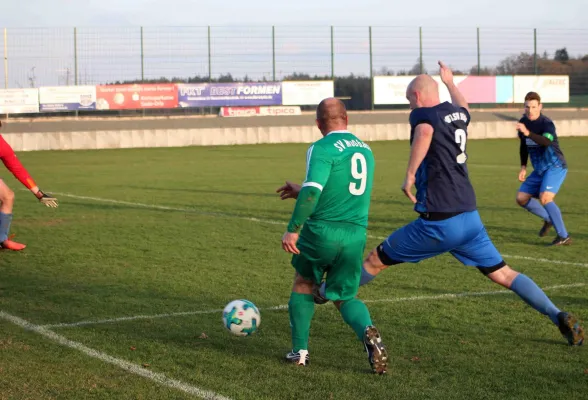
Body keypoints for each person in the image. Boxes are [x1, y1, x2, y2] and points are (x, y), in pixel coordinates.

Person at [314, 62, 583, 347]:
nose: (409, 107)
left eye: (408, 101)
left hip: (439, 222)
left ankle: (323, 290)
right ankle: (557, 314)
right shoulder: (457, 114)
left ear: (416, 98)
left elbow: (425, 133)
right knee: (504, 273)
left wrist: (409, 175)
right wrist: (451, 83)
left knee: (375, 260)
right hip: (470, 218)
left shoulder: (422, 114)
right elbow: (463, 106)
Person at [277, 97, 388, 374]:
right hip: (354, 234)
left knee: (303, 283)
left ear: (318, 123)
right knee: (344, 295)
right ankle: (368, 332)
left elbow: (314, 190)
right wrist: (301, 188)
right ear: (347, 118)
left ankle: (299, 352)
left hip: (322, 231)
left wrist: (293, 228)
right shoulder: (365, 149)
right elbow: (340, 187)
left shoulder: (321, 147)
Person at [515, 91, 570, 246]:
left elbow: (546, 141)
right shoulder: (523, 121)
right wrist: (523, 167)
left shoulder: (547, 124)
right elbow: (523, 146)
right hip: (539, 169)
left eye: (533, 107)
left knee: (545, 198)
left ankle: (563, 236)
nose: (530, 110)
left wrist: (528, 132)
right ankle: (548, 218)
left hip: (555, 166)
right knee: (521, 198)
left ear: (540, 106)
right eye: (527, 107)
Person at [0, 120, 58, 251]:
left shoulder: (1, 144)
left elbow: (17, 168)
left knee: (8, 196)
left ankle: (2, 239)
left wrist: (39, 193)